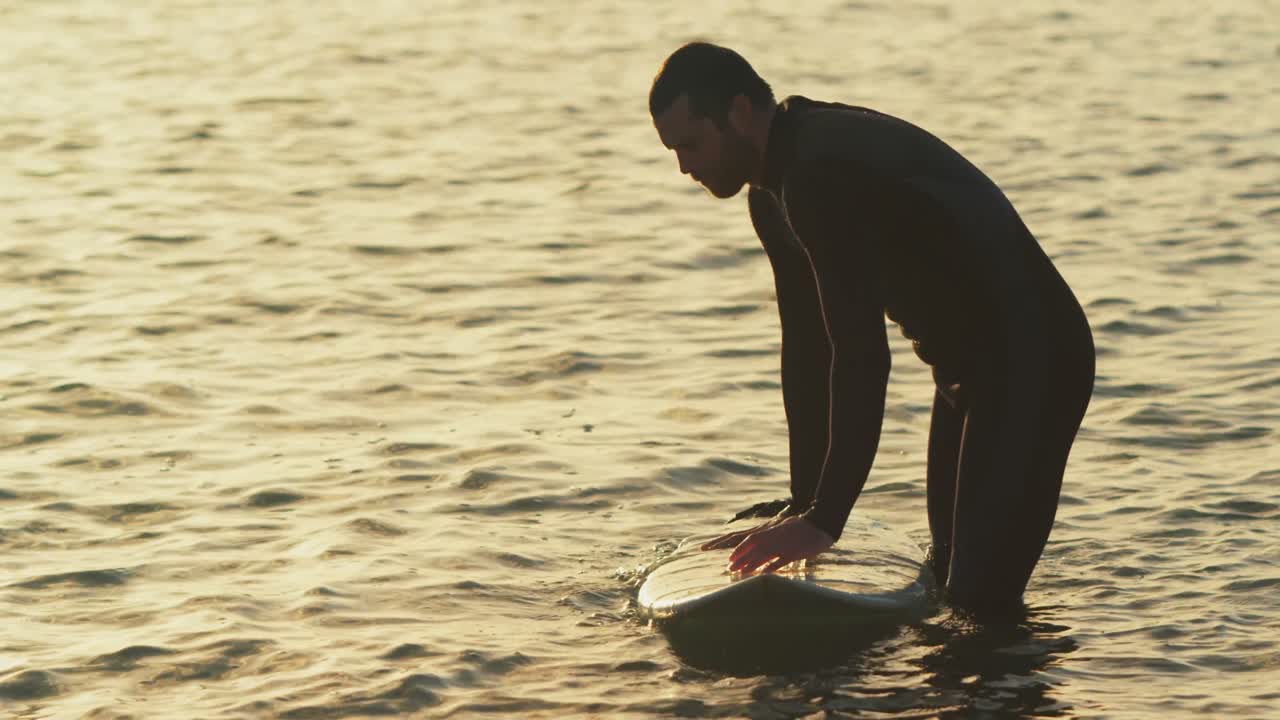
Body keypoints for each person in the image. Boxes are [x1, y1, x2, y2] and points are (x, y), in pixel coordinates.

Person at [649, 42, 1095, 616]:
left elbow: (861, 357)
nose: (684, 166)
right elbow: (808, 351)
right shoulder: (772, 196)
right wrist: (806, 504)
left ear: (738, 112)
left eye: (691, 143)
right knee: (949, 580)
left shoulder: (816, 173)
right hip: (970, 375)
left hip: (1036, 362)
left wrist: (827, 521)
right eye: (672, 150)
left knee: (979, 605)